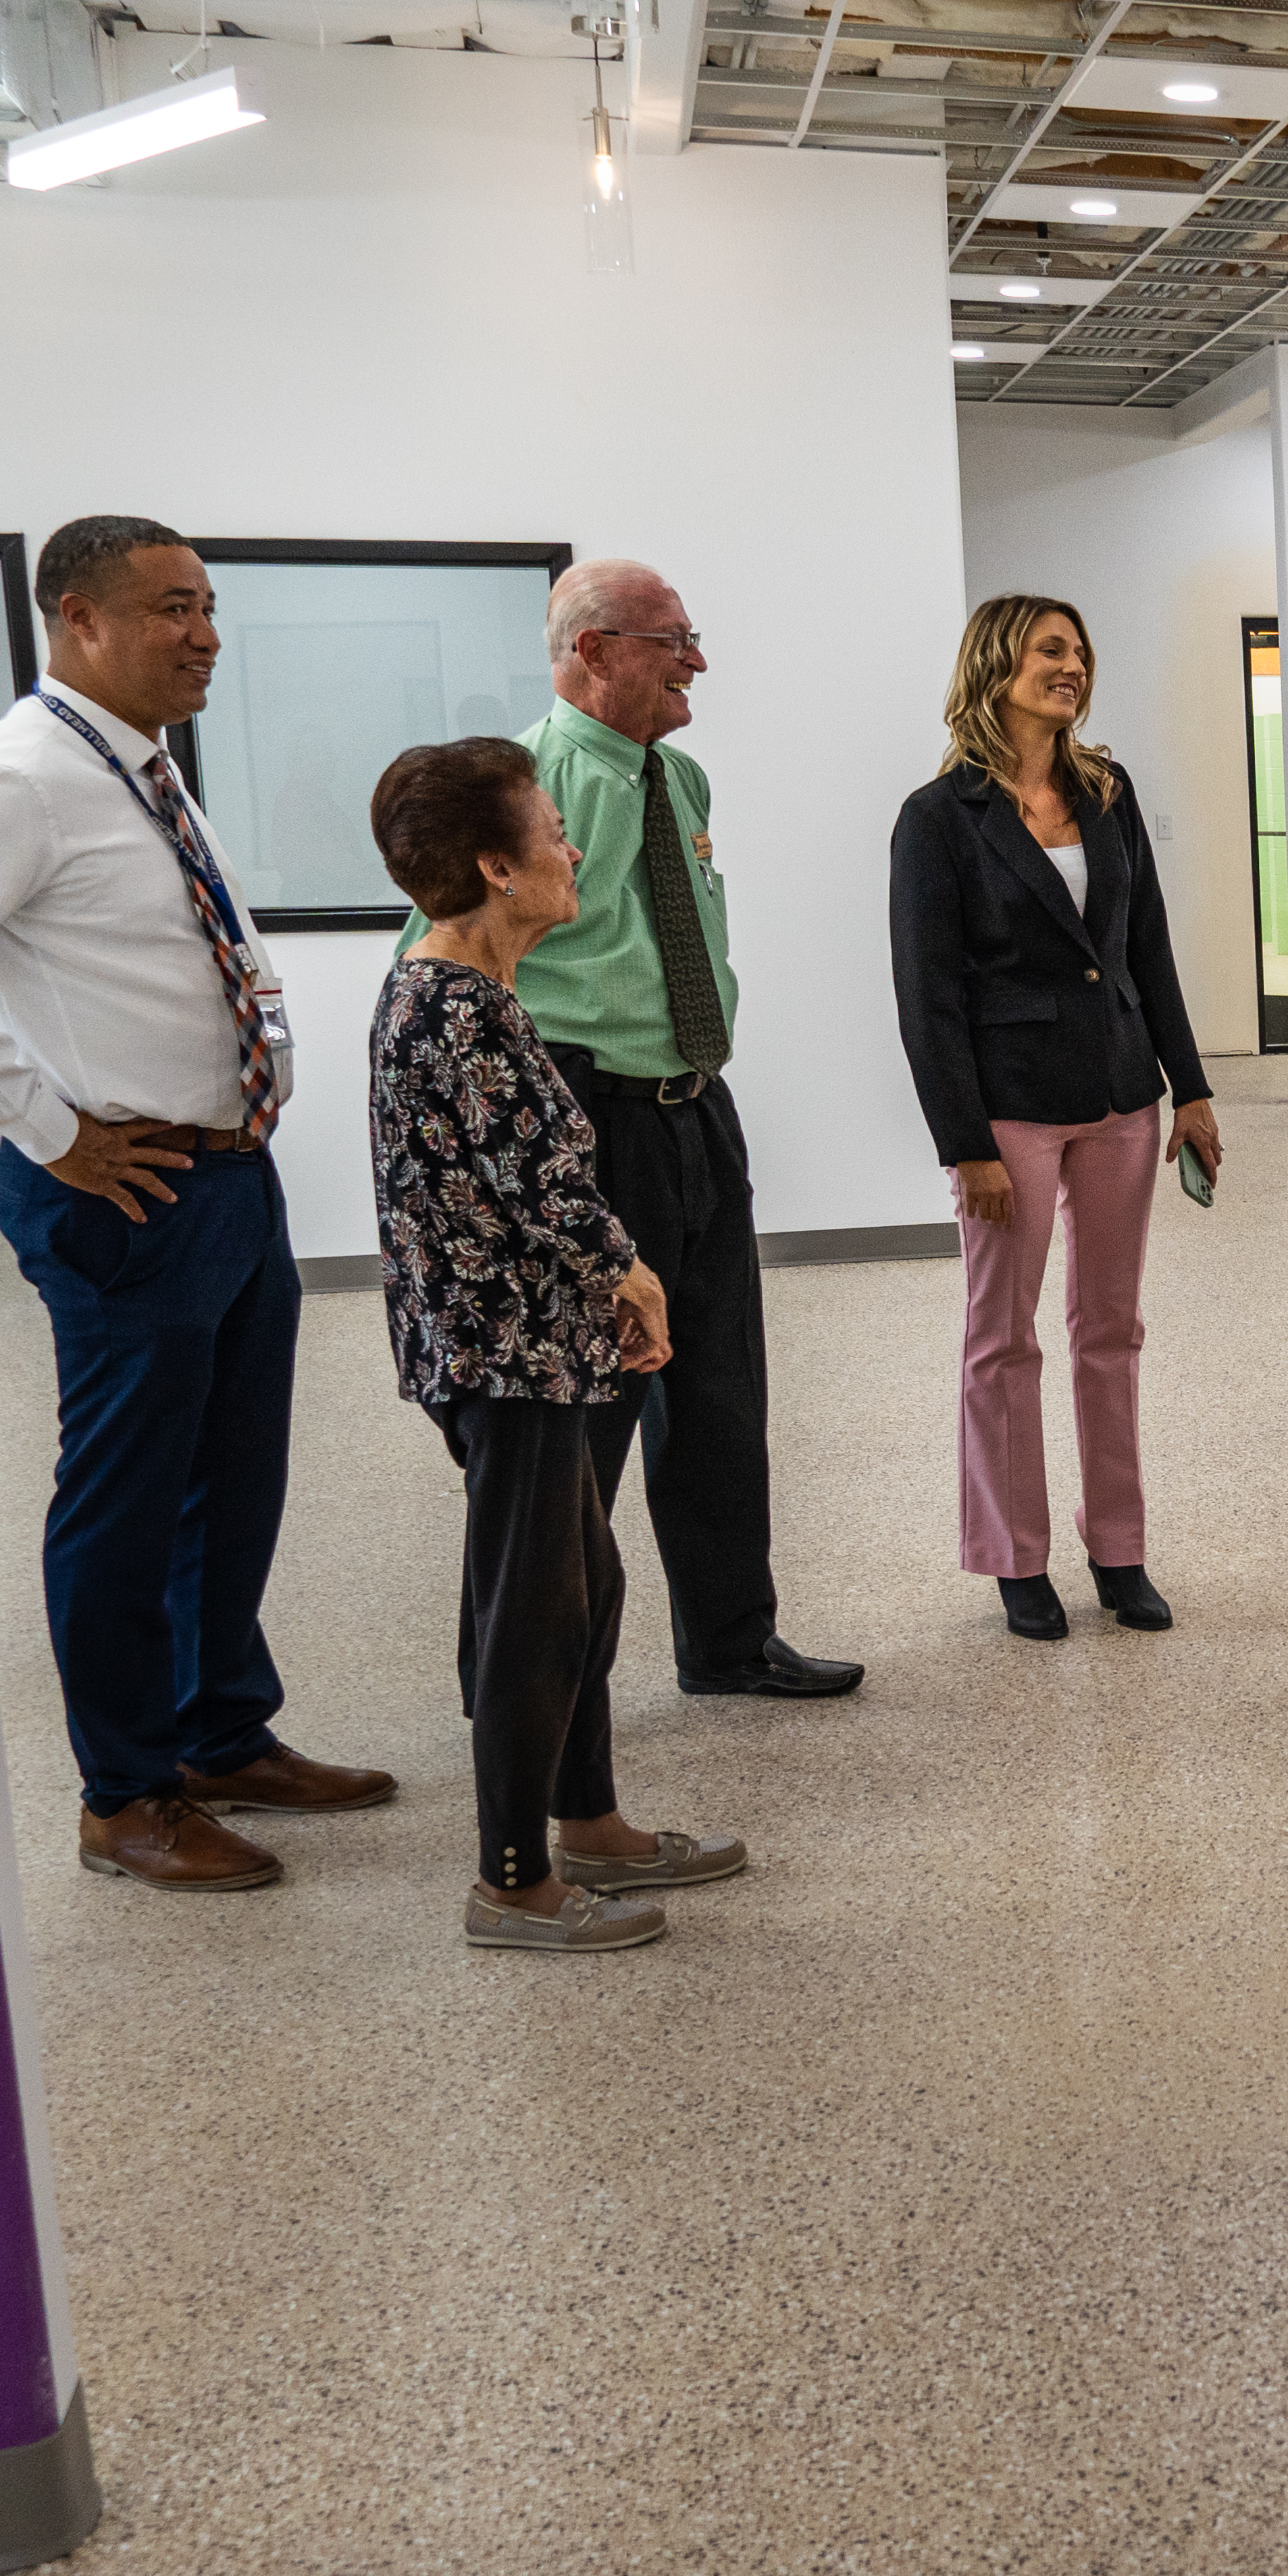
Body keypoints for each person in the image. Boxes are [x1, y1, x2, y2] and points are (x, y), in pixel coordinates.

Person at [0, 514, 394, 1892]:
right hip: (126, 1195)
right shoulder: (13, 778)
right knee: (122, 1503)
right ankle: (125, 1794)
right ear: (77, 620)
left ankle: (219, 1733)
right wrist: (49, 1129)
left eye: (210, 607)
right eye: (173, 609)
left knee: (230, 1483)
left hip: (226, 1177)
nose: (207, 635)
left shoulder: (139, 775)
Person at [367, 739, 752, 1952]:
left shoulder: (467, 991)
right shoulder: (457, 1004)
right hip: (510, 1356)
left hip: (527, 1345)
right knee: (536, 1605)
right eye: (550, 829)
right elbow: (543, 1186)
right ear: (497, 864)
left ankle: (588, 1817)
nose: (572, 846)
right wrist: (631, 1276)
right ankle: (513, 1877)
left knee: (582, 1583)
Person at [513, 559, 861, 1700]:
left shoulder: (683, 779)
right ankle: (552, 1673)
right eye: (674, 640)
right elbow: (465, 965)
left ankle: (729, 1638)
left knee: (719, 1390)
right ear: (595, 650)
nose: (696, 661)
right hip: (591, 1118)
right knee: (593, 1410)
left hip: (695, 1108)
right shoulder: (525, 786)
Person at [890, 595, 1222, 1644]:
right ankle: (1013, 1557)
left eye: (1078, 652)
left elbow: (1148, 950)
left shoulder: (1108, 794)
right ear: (996, 663)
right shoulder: (939, 818)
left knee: (1110, 1330)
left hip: (1123, 1093)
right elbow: (926, 995)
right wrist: (965, 1144)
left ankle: (1117, 1547)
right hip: (1010, 1110)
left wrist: (1193, 1086)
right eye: (1049, 650)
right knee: (1002, 1338)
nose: (1071, 667)